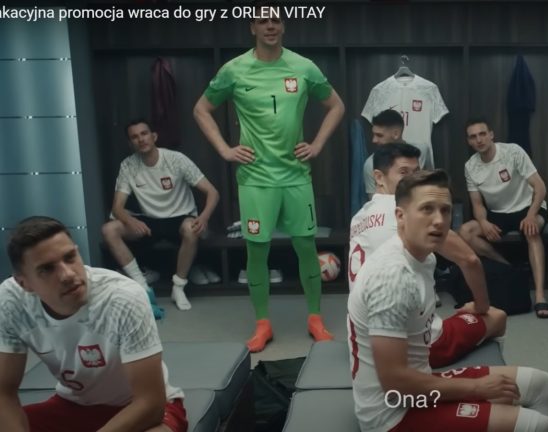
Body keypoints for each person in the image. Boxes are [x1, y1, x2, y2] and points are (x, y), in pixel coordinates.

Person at [348, 170, 548, 432]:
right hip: (393, 413)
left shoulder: (423, 256)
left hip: (418, 386)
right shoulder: (392, 278)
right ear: (400, 216)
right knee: (537, 426)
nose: (438, 220)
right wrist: (476, 388)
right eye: (426, 209)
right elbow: (394, 382)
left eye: (445, 211)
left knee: (540, 383)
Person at [193, 13, 345, 352]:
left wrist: (317, 144)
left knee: (306, 246)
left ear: (284, 25)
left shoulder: (303, 67)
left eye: (275, 19)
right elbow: (201, 109)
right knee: (256, 251)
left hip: (296, 176)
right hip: (255, 178)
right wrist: (225, 149)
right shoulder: (234, 70)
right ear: (253, 27)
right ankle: (262, 324)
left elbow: (336, 105)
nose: (270, 26)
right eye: (262, 20)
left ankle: (315, 318)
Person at [0, 216, 188, 431]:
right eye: (47, 269)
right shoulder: (11, 301)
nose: (67, 275)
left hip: (140, 409)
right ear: (24, 283)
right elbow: (3, 392)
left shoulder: (122, 298)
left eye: (70, 257)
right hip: (74, 405)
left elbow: (150, 404)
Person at [348, 142, 507, 368]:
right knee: (497, 316)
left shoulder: (358, 217)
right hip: (416, 345)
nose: (414, 181)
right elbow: (469, 260)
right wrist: (481, 307)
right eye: (404, 173)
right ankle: (479, 375)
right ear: (379, 178)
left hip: (365, 341)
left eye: (417, 173)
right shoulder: (405, 213)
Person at [101, 119, 219, 312]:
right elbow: (117, 207)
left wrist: (204, 218)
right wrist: (130, 220)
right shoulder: (128, 165)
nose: (141, 139)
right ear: (130, 143)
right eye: (135, 137)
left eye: (144, 133)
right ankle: (142, 285)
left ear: (154, 136)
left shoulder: (176, 159)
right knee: (109, 229)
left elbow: (212, 192)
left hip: (180, 217)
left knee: (191, 229)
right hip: (149, 221)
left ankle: (178, 287)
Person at [458, 119, 548, 319]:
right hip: (498, 213)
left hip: (527, 206)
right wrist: (483, 222)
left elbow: (540, 187)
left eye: (482, 134)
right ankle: (507, 267)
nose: (479, 140)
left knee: (532, 231)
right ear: (469, 141)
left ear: (491, 135)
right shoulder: (470, 166)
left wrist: (531, 215)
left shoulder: (513, 152)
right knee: (465, 232)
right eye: (473, 137)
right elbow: (477, 204)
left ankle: (540, 296)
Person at [363, 109, 405, 198]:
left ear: (396, 134)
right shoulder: (371, 164)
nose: (374, 140)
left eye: (379, 135)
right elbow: (375, 202)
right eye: (374, 135)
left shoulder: (422, 152)